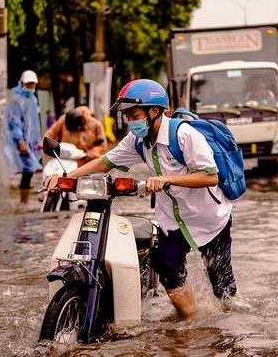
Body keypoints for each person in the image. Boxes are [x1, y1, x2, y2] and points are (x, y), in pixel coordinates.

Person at [43, 79, 237, 317]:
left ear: (154, 112)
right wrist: (65, 177)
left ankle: (231, 321)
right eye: (127, 116)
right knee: (165, 263)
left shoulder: (184, 135)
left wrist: (166, 179)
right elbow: (105, 162)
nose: (130, 120)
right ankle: (192, 322)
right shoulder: (136, 141)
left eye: (134, 114)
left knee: (222, 286)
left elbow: (210, 177)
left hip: (209, 217)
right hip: (172, 218)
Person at [3, 70, 43, 205]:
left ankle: (24, 201)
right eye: (28, 84)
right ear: (22, 83)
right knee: (28, 170)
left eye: (33, 84)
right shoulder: (16, 100)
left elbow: (34, 122)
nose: (31, 87)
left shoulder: (33, 99)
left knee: (30, 171)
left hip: (32, 141)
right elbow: (14, 122)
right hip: (21, 142)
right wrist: (20, 141)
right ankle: (23, 202)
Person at [42, 105, 108, 166]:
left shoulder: (96, 124)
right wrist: (44, 143)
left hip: (86, 161)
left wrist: (93, 152)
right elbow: (51, 132)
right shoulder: (63, 119)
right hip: (65, 160)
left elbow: (102, 145)